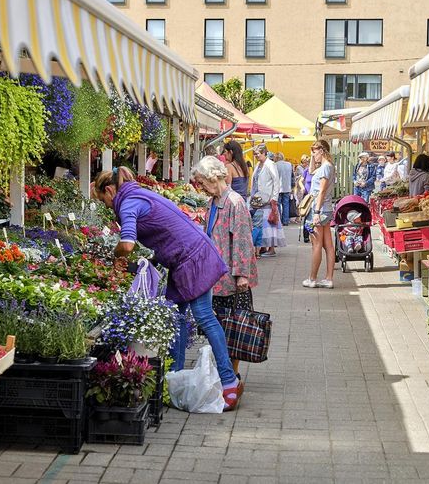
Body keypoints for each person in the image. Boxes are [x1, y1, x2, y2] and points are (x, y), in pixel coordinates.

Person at [93, 167, 243, 411]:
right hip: (186, 258)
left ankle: (229, 384)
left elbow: (128, 244)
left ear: (110, 190)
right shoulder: (140, 194)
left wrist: (115, 255)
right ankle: (174, 376)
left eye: (104, 200)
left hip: (192, 259)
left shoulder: (129, 202)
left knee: (204, 316)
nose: (107, 206)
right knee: (175, 315)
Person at [192, 156, 258, 379]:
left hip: (231, 278)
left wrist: (241, 275)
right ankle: (224, 370)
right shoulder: (214, 202)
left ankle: (233, 373)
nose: (201, 187)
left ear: (213, 177)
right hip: (216, 277)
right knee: (220, 325)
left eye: (202, 182)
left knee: (234, 327)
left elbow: (242, 240)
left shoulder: (234, 202)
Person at [303, 140, 336, 289]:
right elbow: (310, 171)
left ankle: (312, 278)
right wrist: (311, 156)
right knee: (328, 245)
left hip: (319, 209)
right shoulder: (327, 167)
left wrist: (316, 211)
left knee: (316, 245)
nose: (313, 155)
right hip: (326, 209)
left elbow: (321, 191)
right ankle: (328, 278)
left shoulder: (325, 168)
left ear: (322, 151)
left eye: (315, 152)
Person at [250, 144, 286, 257]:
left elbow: (276, 181)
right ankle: (263, 246)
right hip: (258, 198)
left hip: (268, 198)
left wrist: (274, 198)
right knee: (262, 223)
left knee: (270, 222)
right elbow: (255, 180)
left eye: (258, 154)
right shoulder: (258, 164)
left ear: (264, 153)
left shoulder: (270, 164)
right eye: (255, 154)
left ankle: (271, 248)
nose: (256, 156)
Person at [275, 152, 293, 225]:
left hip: (278, 188)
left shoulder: (275, 165)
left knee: (278, 204)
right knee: (286, 204)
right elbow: (292, 177)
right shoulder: (289, 165)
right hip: (287, 187)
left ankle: (279, 221)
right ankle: (285, 221)